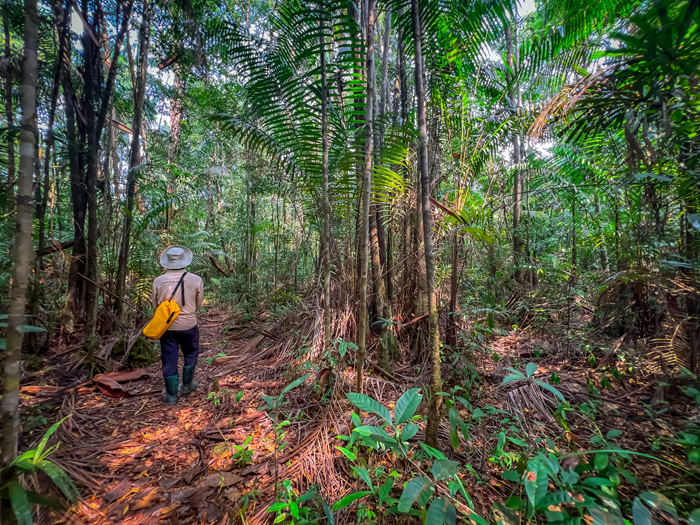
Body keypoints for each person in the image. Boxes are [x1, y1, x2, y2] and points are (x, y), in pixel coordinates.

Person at [152, 245, 204, 405]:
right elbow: (198, 305)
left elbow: (155, 306)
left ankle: (171, 395)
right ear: (184, 261)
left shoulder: (158, 281)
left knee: (169, 358)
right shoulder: (196, 279)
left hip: (167, 327)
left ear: (167, 262)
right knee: (191, 353)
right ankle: (187, 385)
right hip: (189, 324)